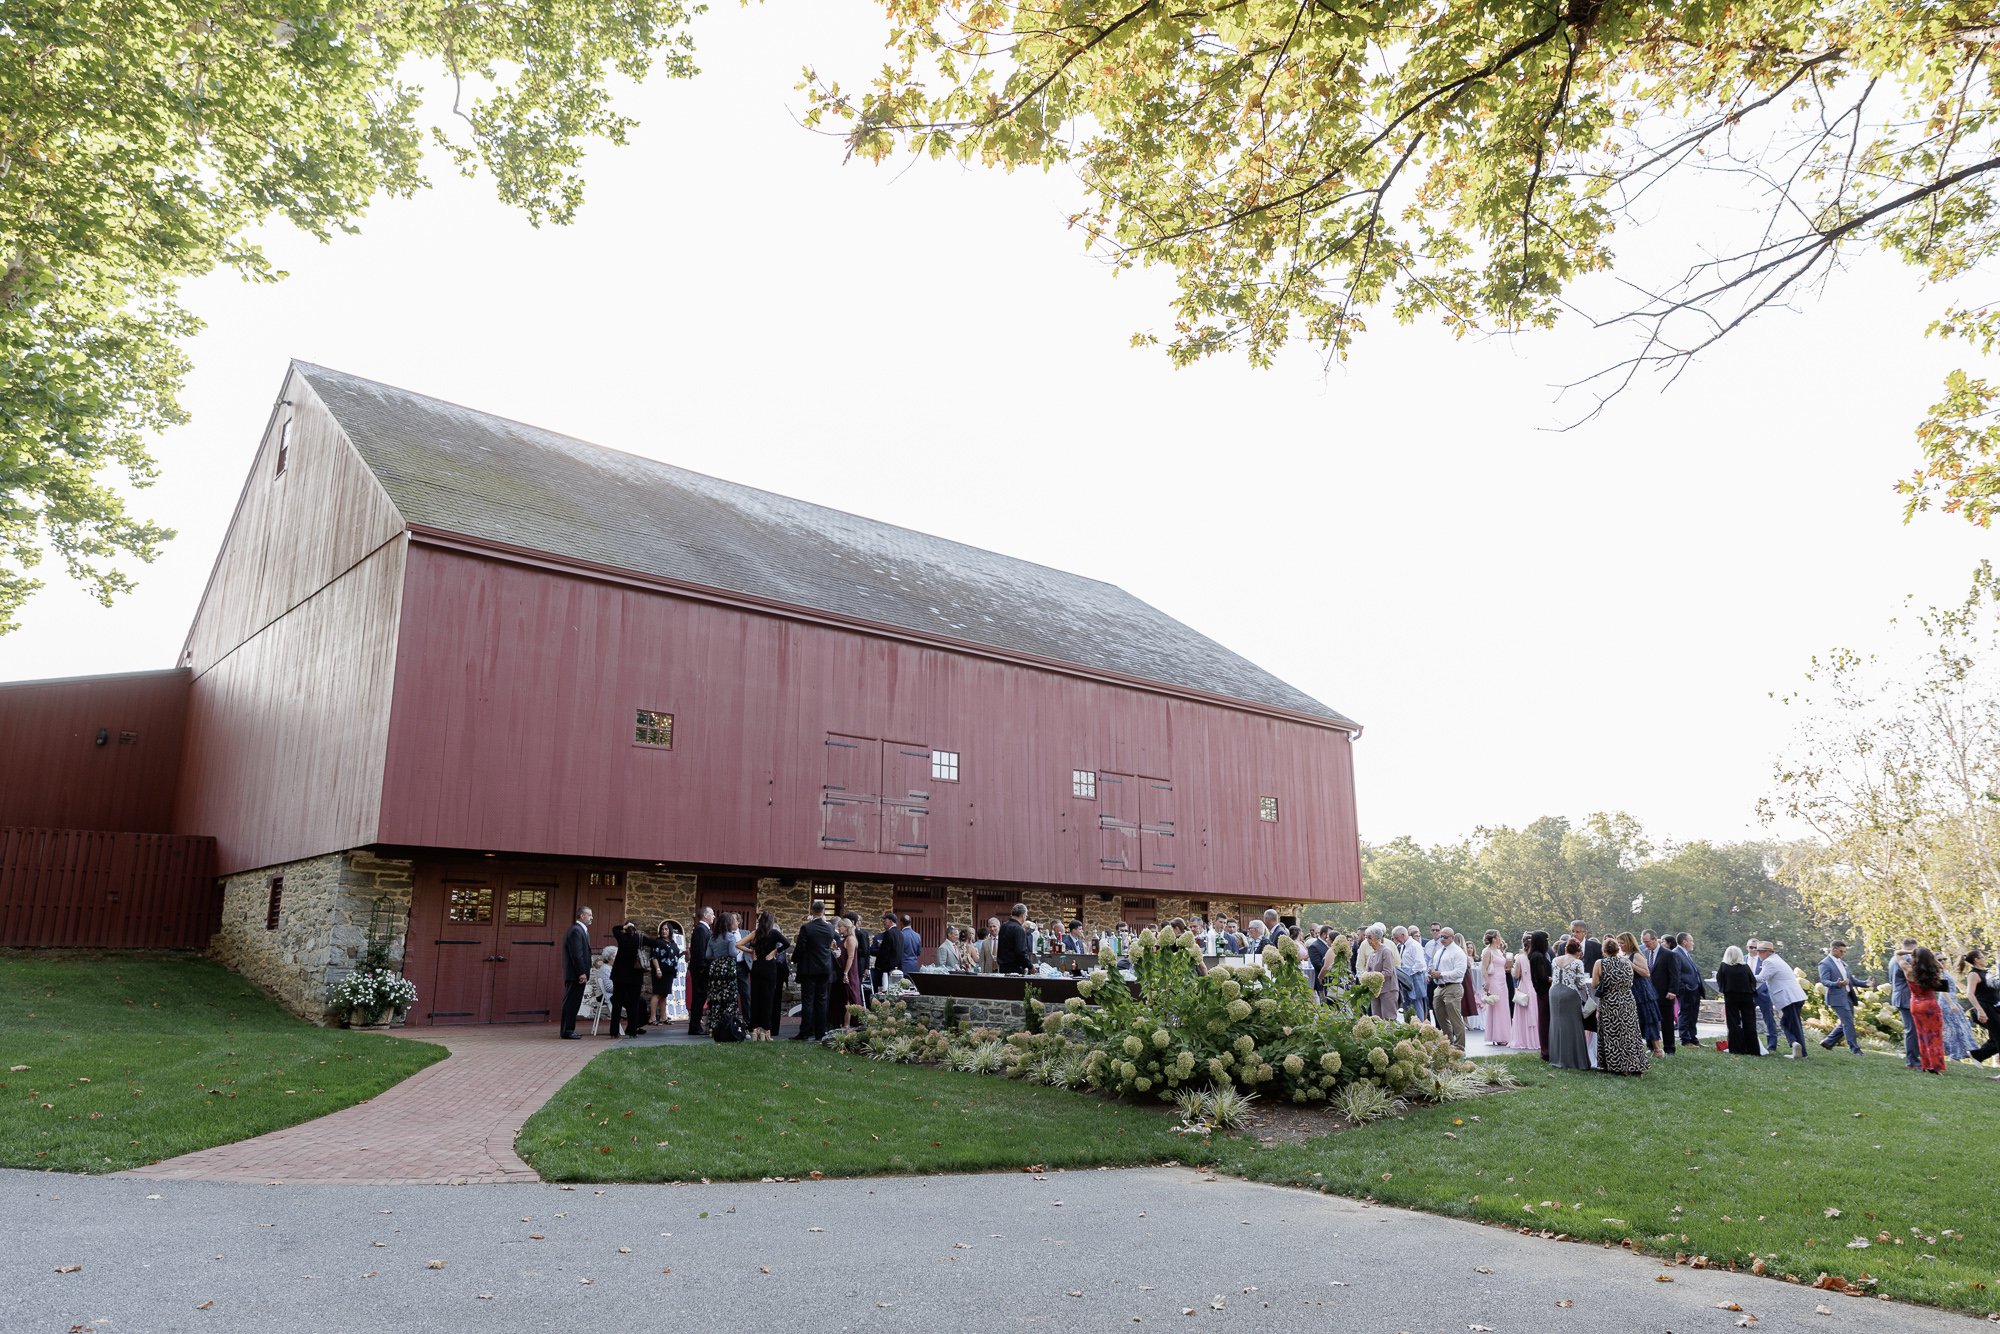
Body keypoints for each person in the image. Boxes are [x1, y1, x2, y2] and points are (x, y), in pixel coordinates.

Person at [1592, 937, 1648, 1075]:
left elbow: (1594, 984)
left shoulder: (1600, 963)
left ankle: (1616, 1066)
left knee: (1612, 1034)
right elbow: (1630, 980)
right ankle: (1635, 1065)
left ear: (1604, 950)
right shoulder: (1627, 962)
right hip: (1627, 1000)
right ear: (1618, 950)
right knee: (1630, 1033)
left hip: (1610, 1001)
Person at [740, 911, 788, 1041]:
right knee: (768, 999)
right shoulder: (774, 933)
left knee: (755, 998)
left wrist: (751, 951)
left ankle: (754, 1029)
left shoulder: (755, 933)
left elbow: (738, 944)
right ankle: (766, 1030)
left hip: (756, 967)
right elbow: (787, 943)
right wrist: (775, 951)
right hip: (769, 968)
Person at [793, 901, 838, 1042]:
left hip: (809, 968)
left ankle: (805, 1032)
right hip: (825, 968)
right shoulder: (830, 928)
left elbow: (800, 947)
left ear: (812, 911)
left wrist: (794, 959)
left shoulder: (807, 928)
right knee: (821, 1001)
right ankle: (820, 1032)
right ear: (824, 912)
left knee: (807, 1001)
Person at [1755, 941, 1808, 1058]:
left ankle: (1802, 1052)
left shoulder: (1769, 962)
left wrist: (1743, 975)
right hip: (1795, 995)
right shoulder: (1776, 959)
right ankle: (1795, 1044)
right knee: (1786, 1022)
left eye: (1759, 952)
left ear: (1764, 952)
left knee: (1793, 1024)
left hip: (1789, 997)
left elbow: (1761, 978)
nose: (1758, 955)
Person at [1614, 931, 1661, 1057]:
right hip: (1630, 991)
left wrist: (1632, 965)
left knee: (1648, 1019)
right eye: (1619, 943)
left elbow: (1646, 973)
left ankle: (1658, 1050)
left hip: (1642, 991)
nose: (1620, 946)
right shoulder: (1623, 954)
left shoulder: (1636, 955)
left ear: (1629, 943)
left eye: (1622, 943)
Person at [1548, 938, 1592, 1070]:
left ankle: (1557, 1058)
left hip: (1554, 993)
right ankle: (1574, 1060)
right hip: (1569, 994)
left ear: (1566, 949)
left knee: (1557, 1024)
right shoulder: (1577, 962)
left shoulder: (1555, 960)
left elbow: (1554, 976)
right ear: (1578, 950)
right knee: (1574, 1025)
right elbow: (1579, 984)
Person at [1907, 945, 1949, 1073]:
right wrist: (1931, 958)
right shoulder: (1934, 970)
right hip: (1930, 1005)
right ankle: (1936, 1066)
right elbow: (1943, 967)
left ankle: (1926, 1064)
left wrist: (1913, 952)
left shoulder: (1909, 971)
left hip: (1915, 1004)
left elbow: (1897, 954)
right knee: (1934, 1036)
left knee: (1922, 1036)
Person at [1818, 940, 1865, 1054]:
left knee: (1847, 1022)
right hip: (1836, 997)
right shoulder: (1824, 963)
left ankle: (1828, 1042)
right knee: (1848, 1023)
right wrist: (1837, 984)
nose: (1843, 953)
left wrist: (1866, 984)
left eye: (1844, 951)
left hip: (1848, 997)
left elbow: (1851, 980)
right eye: (1841, 951)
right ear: (1833, 949)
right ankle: (1855, 1049)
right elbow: (1825, 981)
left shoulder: (1843, 963)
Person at [704, 911, 745, 1041]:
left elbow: (707, 955)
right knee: (729, 997)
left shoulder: (712, 937)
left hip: (716, 967)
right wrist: (739, 950)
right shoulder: (730, 937)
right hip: (727, 967)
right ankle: (728, 1024)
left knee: (716, 997)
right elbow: (733, 953)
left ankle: (713, 1027)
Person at [1429, 928, 1470, 1049]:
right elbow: (1435, 964)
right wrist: (1431, 970)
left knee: (1455, 1018)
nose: (1442, 939)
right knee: (1440, 1017)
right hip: (1439, 986)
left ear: (1452, 938)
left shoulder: (1458, 952)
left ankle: (1460, 1046)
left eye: (1445, 937)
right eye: (1441, 936)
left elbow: (1459, 972)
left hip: (1452, 986)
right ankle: (1448, 1043)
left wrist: (1441, 974)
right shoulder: (1440, 951)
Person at [1715, 946, 1759, 1055]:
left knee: (1733, 1022)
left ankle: (1736, 1048)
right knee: (1749, 1021)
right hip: (1747, 996)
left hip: (1731, 996)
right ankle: (1753, 1049)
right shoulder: (1745, 967)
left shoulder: (1724, 966)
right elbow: (1752, 981)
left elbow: (1719, 981)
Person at [560, 905, 594, 1039]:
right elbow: (576, 954)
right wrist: (581, 972)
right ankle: (567, 1030)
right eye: (589, 915)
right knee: (571, 1002)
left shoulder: (580, 931)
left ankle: (569, 1029)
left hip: (576, 975)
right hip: (575, 975)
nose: (592, 918)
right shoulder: (576, 931)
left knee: (574, 1002)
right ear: (582, 916)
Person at [610, 920, 649, 1038]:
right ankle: (632, 1032)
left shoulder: (621, 937)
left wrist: (623, 926)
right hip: (635, 977)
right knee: (634, 1005)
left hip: (620, 977)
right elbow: (655, 943)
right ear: (636, 929)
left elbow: (614, 929)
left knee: (617, 1005)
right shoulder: (640, 939)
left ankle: (614, 1032)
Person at [1640, 931, 1676, 1055]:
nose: (1645, 945)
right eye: (1643, 942)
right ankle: (1651, 1046)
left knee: (1667, 1023)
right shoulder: (1644, 953)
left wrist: (1672, 990)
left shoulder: (1668, 954)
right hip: (1648, 995)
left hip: (1664, 993)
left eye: (1647, 942)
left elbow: (1674, 974)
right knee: (1650, 1021)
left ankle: (1669, 1048)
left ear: (1655, 939)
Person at [1889, 938, 1921, 1068]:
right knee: (1912, 1029)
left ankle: (1916, 1058)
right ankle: (1912, 1061)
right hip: (1906, 996)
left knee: (1913, 1029)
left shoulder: (1893, 958)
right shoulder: (1906, 959)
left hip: (1899, 994)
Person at [1478, 931, 1513, 1046]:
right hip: (1494, 981)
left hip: (1502, 981)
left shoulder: (1498, 951)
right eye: (1499, 936)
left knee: (1504, 1007)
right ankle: (1498, 1036)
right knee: (1497, 1007)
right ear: (1494, 939)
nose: (1500, 938)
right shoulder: (1487, 951)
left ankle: (1505, 1034)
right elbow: (1483, 967)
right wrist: (1487, 982)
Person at [1965, 950, 1999, 1064]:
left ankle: (1977, 1055)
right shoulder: (1974, 974)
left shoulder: (1986, 972)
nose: (1985, 959)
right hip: (1985, 1009)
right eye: (1983, 957)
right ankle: (1977, 1055)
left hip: (1995, 1008)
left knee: (1996, 1038)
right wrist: (1980, 1010)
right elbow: (1970, 993)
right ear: (1976, 960)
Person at [1748, 936, 1781, 1054]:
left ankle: (1772, 1045)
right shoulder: (1742, 959)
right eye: (1751, 947)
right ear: (1747, 947)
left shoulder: (1766, 961)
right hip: (1748, 994)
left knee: (1769, 1019)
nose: (1753, 949)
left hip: (1763, 993)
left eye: (1755, 948)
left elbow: (1764, 977)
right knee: (1746, 1018)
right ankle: (1748, 1041)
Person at [647, 918, 682, 1028]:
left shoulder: (672, 943)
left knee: (664, 994)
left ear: (670, 931)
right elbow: (654, 957)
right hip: (660, 971)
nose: (664, 931)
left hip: (669, 972)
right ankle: (652, 1017)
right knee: (657, 993)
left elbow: (674, 955)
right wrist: (658, 969)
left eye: (666, 929)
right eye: (662, 929)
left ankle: (663, 1016)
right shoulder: (658, 942)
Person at [685, 907, 715, 1036]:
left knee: (700, 997)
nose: (713, 917)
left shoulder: (703, 929)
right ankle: (695, 1027)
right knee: (699, 997)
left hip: (701, 968)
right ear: (704, 915)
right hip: (700, 969)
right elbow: (699, 949)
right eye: (712, 914)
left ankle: (696, 1025)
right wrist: (702, 966)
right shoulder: (701, 930)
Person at [1363, 924, 1401, 1021]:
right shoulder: (1371, 953)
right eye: (1366, 937)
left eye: (1370, 937)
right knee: (1376, 1018)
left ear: (1378, 938)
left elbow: (1388, 972)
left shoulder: (1386, 951)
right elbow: (1368, 970)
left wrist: (1372, 978)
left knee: (1388, 1019)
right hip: (1375, 991)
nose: (1368, 940)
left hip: (1388, 989)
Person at [1673, 932, 1704, 1048]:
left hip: (1694, 990)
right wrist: (1684, 988)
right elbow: (1677, 974)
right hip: (1686, 990)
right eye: (1691, 941)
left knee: (1693, 1015)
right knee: (1685, 1014)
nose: (1693, 943)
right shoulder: (1676, 953)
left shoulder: (1685, 953)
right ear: (1684, 942)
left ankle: (1693, 1038)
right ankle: (1685, 1040)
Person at [1511, 932, 1540, 1055]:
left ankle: (1522, 1039)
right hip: (1534, 987)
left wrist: (1511, 968)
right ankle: (1535, 1039)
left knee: (1522, 1015)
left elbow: (1516, 975)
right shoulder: (1537, 957)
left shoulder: (1520, 958)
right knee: (1535, 1013)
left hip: (1523, 987)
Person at [1527, 931, 1553, 1060]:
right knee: (1544, 1020)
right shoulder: (1537, 956)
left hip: (1544, 990)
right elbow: (1542, 976)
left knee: (1546, 1020)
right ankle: (1546, 1050)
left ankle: (1548, 1048)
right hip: (1544, 991)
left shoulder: (1539, 955)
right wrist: (1554, 979)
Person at [836, 915, 866, 1025]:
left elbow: (851, 957)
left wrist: (845, 973)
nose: (839, 928)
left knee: (849, 997)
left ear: (847, 927)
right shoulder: (845, 938)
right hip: (841, 971)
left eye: (841, 927)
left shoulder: (851, 939)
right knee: (843, 997)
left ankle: (846, 1024)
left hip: (848, 972)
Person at [1397, 926, 1429, 1022]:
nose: (1396, 940)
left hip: (1415, 976)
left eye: (1396, 937)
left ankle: (1419, 1026)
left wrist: (1406, 972)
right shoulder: (1402, 946)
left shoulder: (1415, 945)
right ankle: (1408, 1026)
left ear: (1403, 935)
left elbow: (1420, 964)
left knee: (1417, 1002)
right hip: (1405, 978)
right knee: (1406, 1002)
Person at [998, 903, 1035, 973]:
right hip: (1015, 968)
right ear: (1023, 915)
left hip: (1003, 966)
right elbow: (1021, 951)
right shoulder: (1019, 929)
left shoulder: (1004, 926)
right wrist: (1030, 966)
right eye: (1026, 915)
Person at [873, 912, 900, 990]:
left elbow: (884, 952)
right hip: (897, 968)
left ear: (891, 921)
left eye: (885, 920)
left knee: (883, 990)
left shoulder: (888, 933)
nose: (884, 922)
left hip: (886, 969)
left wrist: (879, 966)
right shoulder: (900, 934)